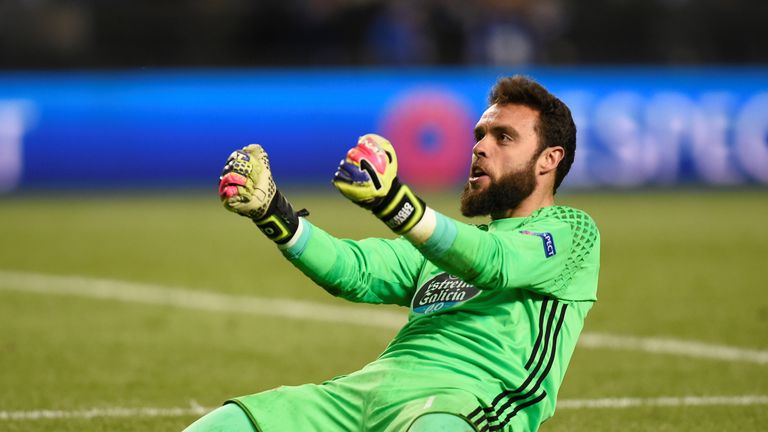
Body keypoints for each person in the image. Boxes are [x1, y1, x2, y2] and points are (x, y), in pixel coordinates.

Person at [186, 75, 600, 432]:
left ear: (549, 159)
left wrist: (394, 203)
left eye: (503, 137)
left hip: (460, 404)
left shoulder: (571, 233)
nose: (480, 147)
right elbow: (355, 271)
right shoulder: (441, 247)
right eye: (479, 135)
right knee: (228, 423)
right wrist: (274, 212)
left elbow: (494, 261)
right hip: (362, 395)